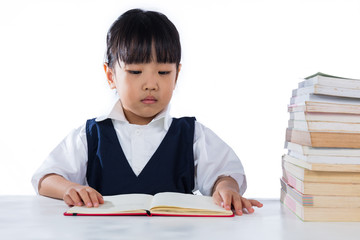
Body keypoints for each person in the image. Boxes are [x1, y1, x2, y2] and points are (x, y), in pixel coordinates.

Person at [31, 8, 263, 216]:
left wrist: (226, 188)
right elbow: (45, 178)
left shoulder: (191, 134)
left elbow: (225, 173)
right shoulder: (91, 134)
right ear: (111, 76)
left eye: (163, 72)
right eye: (135, 72)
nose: (151, 84)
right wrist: (70, 188)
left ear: (177, 75)